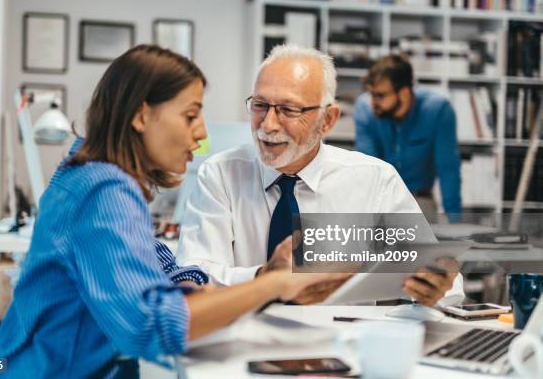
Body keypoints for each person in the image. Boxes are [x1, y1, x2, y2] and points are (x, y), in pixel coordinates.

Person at [0, 45, 344, 378]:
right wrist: (272, 284)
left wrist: (203, 286)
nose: (201, 134)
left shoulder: (92, 175)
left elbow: (161, 268)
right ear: (142, 115)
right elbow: (149, 326)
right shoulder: (102, 188)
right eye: (191, 116)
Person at [177, 44, 463, 307]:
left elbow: (445, 283)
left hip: (343, 348)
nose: (268, 124)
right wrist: (265, 277)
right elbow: (192, 277)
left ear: (327, 120)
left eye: (288, 109)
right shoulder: (220, 174)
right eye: (260, 105)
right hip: (238, 342)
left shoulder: (375, 180)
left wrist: (434, 286)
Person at [354, 54, 462, 218]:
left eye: (380, 95)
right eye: (371, 94)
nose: (372, 102)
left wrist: (456, 226)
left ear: (403, 93)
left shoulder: (438, 111)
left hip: (420, 200)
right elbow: (368, 170)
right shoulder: (365, 109)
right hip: (379, 201)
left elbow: (448, 170)